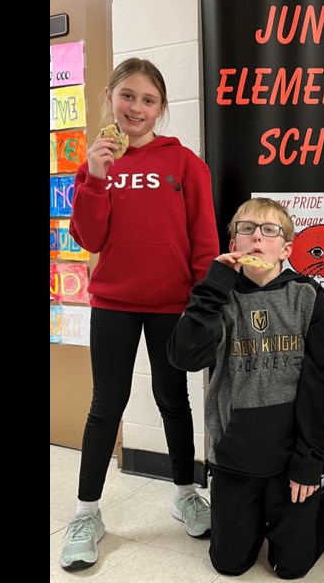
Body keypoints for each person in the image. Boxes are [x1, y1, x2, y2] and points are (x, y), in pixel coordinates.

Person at [60, 58, 220, 571]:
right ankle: (87, 513)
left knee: (173, 399)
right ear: (110, 97)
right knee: (106, 404)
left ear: (161, 108)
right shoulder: (97, 163)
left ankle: (184, 493)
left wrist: (203, 301)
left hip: (173, 304)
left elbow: (204, 240)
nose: (137, 107)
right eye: (128, 95)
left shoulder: (185, 164)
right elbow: (89, 238)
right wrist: (97, 179)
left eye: (148, 100)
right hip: (113, 303)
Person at [167, 197, 324, 579]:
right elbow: (184, 357)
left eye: (269, 231)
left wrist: (310, 462)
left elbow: (321, 384)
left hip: (291, 458)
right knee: (229, 565)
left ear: (285, 248)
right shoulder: (218, 297)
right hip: (235, 456)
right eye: (245, 229)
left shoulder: (307, 295)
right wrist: (213, 286)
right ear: (233, 244)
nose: (256, 238)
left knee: (290, 568)